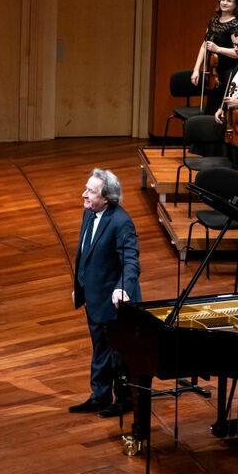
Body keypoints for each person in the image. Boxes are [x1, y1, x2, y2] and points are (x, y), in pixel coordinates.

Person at [69, 168, 141, 419]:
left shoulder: (121, 222)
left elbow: (131, 262)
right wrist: (80, 286)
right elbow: (85, 254)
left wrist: (123, 288)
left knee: (117, 354)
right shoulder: (89, 213)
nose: (84, 194)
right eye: (86, 188)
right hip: (94, 297)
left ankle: (125, 400)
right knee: (100, 348)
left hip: (115, 302)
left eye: (91, 191)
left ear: (107, 199)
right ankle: (100, 396)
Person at [192, 0, 238, 116]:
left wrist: (218, 49)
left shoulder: (235, 25)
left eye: (229, 1)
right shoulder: (213, 21)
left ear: (236, 5)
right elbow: (204, 45)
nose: (224, 3)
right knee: (211, 106)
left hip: (227, 73)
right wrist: (196, 69)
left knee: (220, 108)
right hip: (213, 72)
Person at [214, 29, 238, 182]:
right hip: (235, 123)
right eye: (234, 45)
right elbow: (232, 90)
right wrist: (221, 108)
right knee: (234, 165)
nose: (235, 49)